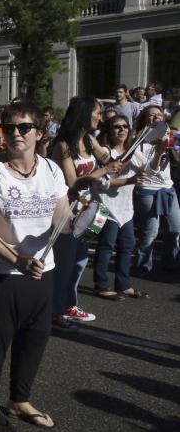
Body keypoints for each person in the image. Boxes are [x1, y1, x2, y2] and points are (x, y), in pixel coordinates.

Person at [0, 102, 69, 432]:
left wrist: (83, 218)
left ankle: (19, 400)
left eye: (24, 128)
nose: (15, 134)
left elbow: (62, 218)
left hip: (42, 269)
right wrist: (17, 260)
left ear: (40, 133)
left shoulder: (52, 170)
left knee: (35, 337)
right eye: (9, 128)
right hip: (0, 271)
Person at [49, 97, 122, 329]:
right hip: (66, 210)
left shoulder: (90, 140)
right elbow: (72, 182)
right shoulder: (62, 145)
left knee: (79, 261)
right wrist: (104, 170)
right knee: (64, 263)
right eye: (97, 113)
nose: (100, 117)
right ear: (84, 114)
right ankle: (54, 310)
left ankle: (69, 304)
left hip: (86, 208)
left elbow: (110, 159)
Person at [92, 114, 152, 299]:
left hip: (126, 209)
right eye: (117, 127)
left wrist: (159, 150)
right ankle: (101, 286)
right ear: (109, 131)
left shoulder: (134, 151)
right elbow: (103, 182)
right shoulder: (103, 151)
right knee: (105, 246)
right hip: (105, 207)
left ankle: (123, 284)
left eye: (125, 126)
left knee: (127, 246)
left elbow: (151, 169)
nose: (122, 130)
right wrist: (130, 180)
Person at [131, 105, 180, 274]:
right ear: (144, 120)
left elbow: (178, 160)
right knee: (151, 230)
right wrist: (158, 151)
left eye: (159, 115)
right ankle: (143, 265)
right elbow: (149, 169)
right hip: (146, 189)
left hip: (167, 188)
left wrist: (173, 146)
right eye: (151, 116)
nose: (155, 118)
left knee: (175, 228)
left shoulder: (170, 137)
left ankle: (170, 261)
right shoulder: (137, 141)